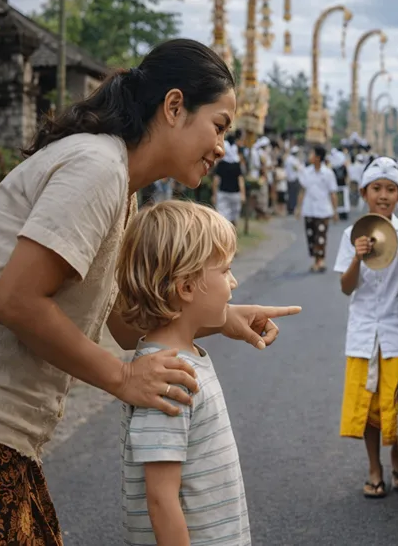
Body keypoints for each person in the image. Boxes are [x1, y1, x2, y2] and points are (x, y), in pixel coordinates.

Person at [0, 38, 299, 545]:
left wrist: (219, 315)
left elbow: (124, 322)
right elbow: (17, 301)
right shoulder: (96, 168)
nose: (223, 147)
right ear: (173, 107)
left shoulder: (120, 187)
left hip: (1, 432)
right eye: (220, 125)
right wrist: (123, 379)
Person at [118, 201, 250, 546]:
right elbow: (161, 499)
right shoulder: (166, 377)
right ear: (186, 287)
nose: (233, 282)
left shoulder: (182, 359)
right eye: (224, 271)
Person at [334, 157, 398, 498]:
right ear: (364, 192)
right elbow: (346, 287)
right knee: (367, 405)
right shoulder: (351, 234)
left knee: (396, 403)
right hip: (364, 331)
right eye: (377, 188)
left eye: (391, 189)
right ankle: (374, 468)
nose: (384, 196)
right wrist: (356, 256)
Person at [296, 145, 338, 273]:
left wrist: (335, 211)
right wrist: (298, 208)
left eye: (312, 154)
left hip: (323, 209)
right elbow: (302, 191)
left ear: (318, 158)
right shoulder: (306, 172)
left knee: (321, 236)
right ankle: (316, 260)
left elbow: (333, 193)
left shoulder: (328, 173)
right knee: (311, 236)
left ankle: (321, 260)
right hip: (309, 209)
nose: (310, 157)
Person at [214, 137, 246, 227]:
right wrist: (243, 194)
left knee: (221, 218)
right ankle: (232, 236)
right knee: (233, 218)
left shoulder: (221, 164)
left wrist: (214, 195)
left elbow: (216, 180)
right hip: (235, 194)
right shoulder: (237, 164)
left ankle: (224, 237)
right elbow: (240, 180)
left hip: (222, 193)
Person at [285, 145, 302, 215]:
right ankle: (292, 208)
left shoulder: (289, 159)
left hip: (290, 178)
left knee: (291, 194)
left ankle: (291, 208)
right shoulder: (292, 159)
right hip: (293, 179)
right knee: (293, 195)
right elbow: (297, 168)